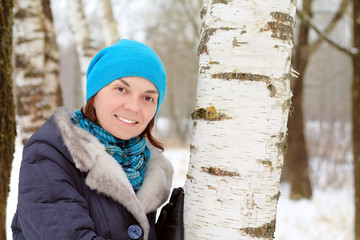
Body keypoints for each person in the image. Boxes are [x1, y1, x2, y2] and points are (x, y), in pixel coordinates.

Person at [11, 39, 184, 240]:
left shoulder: (143, 168)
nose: (133, 107)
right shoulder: (49, 154)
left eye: (148, 98)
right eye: (121, 89)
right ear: (95, 93)